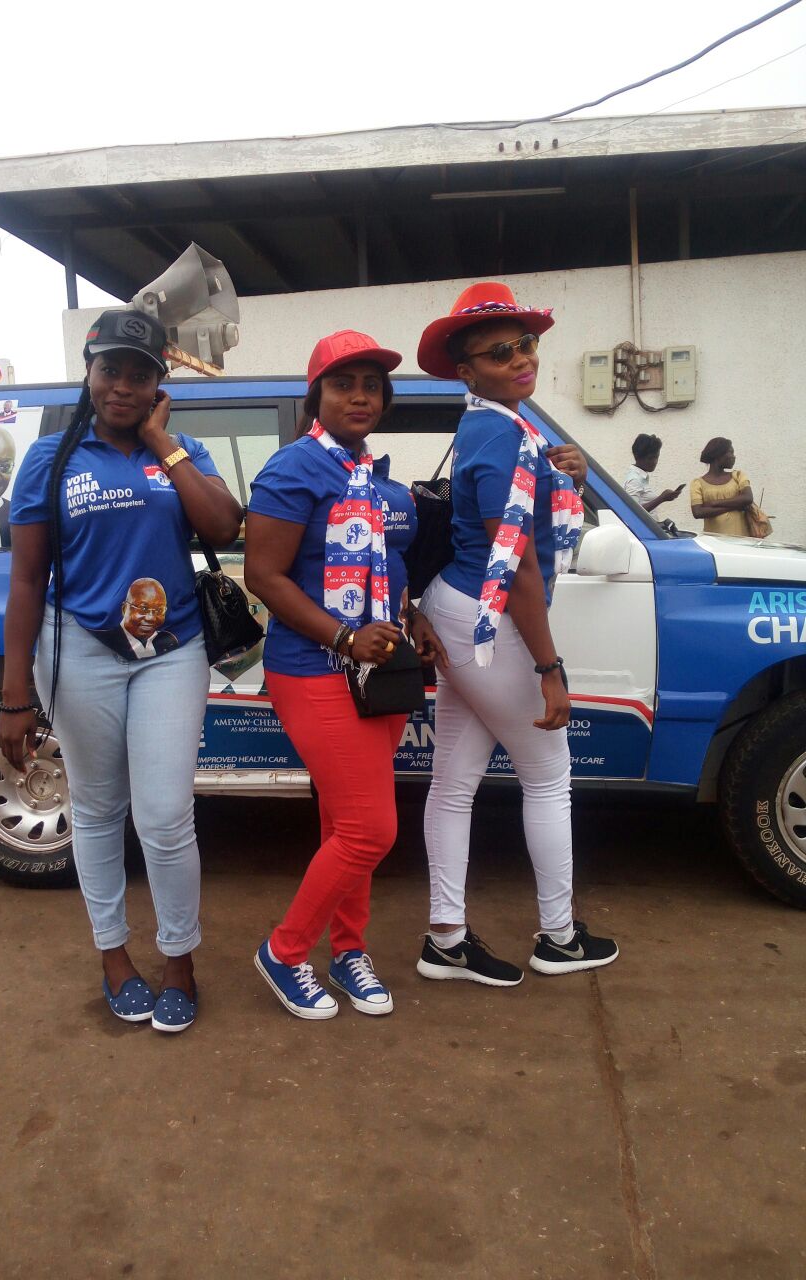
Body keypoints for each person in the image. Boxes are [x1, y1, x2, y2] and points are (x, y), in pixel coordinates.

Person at [0, 308, 242, 1033]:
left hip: (172, 652)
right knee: (100, 812)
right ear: (90, 371)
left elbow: (225, 527)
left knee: (165, 816)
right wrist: (16, 694)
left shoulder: (180, 448)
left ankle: (179, 960)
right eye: (112, 371)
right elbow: (25, 582)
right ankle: (113, 956)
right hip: (79, 652)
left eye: (141, 376)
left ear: (159, 386)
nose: (124, 387)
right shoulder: (51, 458)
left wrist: (162, 441)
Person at [414, 282, 619, 986]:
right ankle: (557, 937)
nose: (520, 359)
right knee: (548, 779)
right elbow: (519, 561)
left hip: (462, 609)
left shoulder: (506, 426)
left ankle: (445, 938)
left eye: (526, 344)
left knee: (454, 784)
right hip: (487, 616)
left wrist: (575, 475)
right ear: (467, 370)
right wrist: (548, 667)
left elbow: (530, 526)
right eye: (499, 352)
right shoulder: (500, 431)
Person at [244, 330, 447, 1020]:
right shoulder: (290, 471)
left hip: (382, 670)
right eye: (343, 384)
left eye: (371, 385)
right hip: (313, 667)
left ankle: (349, 949)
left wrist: (410, 614)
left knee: (344, 822)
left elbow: (382, 573)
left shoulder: (383, 480)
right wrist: (343, 637)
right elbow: (264, 575)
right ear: (317, 396)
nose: (359, 396)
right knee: (370, 830)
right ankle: (285, 950)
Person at [690, 438, 754, 535]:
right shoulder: (698, 483)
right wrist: (736, 506)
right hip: (713, 543)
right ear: (718, 455)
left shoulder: (738, 476)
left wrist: (714, 503)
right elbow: (698, 512)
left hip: (741, 541)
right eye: (730, 452)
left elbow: (747, 498)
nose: (734, 457)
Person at [623, 433, 684, 513]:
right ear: (638, 457)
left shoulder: (641, 477)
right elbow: (632, 511)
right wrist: (662, 498)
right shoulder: (634, 480)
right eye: (651, 458)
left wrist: (664, 498)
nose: (655, 462)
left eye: (657, 457)